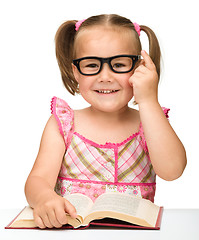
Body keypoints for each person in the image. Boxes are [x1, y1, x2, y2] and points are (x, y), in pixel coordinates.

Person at [25, 14, 187, 229]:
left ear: (140, 68)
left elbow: (173, 170)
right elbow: (37, 180)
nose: (105, 76)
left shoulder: (150, 122)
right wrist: (44, 197)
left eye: (118, 64)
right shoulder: (63, 123)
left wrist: (148, 100)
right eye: (92, 65)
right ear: (76, 72)